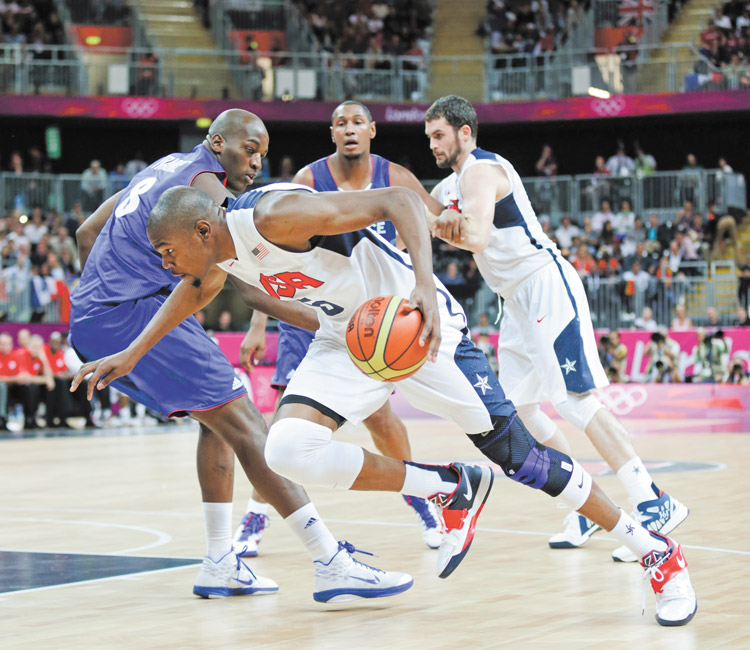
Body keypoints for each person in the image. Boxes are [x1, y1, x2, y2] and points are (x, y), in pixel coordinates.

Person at [107, 180, 701, 625]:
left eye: (164, 248)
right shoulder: (219, 255)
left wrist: (423, 283)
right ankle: (446, 486)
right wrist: (130, 354)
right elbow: (195, 291)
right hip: (349, 338)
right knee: (286, 447)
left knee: (524, 460)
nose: (163, 260)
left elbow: (399, 201)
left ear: (201, 231)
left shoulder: (273, 216)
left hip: (415, 326)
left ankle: (655, 550)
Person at [67, 109, 412, 603]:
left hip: (96, 312)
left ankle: (218, 563)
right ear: (217, 141)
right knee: (253, 429)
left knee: (220, 423)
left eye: (262, 155)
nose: (254, 163)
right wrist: (338, 324)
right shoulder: (209, 195)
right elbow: (249, 290)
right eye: (248, 150)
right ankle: (330, 562)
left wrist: (108, 303)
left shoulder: (164, 167)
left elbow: (86, 233)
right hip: (130, 315)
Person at [424, 96, 693, 596]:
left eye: (439, 135)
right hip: (514, 302)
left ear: (464, 132)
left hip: (544, 284)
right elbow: (420, 207)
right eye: (429, 137)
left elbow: (478, 237)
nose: (433, 145)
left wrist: (444, 226)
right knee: (521, 409)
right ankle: (583, 508)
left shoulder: (482, 171)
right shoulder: (449, 185)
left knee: (574, 400)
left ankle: (651, 497)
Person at [236, 100, 447, 555]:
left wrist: (467, 218)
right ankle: (255, 516)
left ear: (372, 130)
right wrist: (258, 325)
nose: (349, 130)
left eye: (357, 123)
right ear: (332, 133)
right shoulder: (309, 181)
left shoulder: (398, 178)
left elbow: (435, 220)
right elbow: (267, 257)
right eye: (340, 124)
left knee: (381, 420)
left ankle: (421, 496)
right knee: (288, 427)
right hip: (310, 311)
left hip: (369, 318)